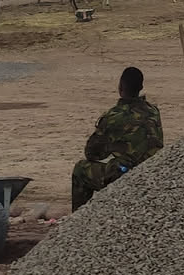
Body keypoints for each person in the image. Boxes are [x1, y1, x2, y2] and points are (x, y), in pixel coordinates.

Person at [70, 66, 163, 210]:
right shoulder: (153, 111)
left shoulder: (114, 116)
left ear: (120, 88)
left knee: (80, 170)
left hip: (126, 174)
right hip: (153, 172)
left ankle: (79, 217)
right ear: (141, 87)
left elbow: (92, 153)